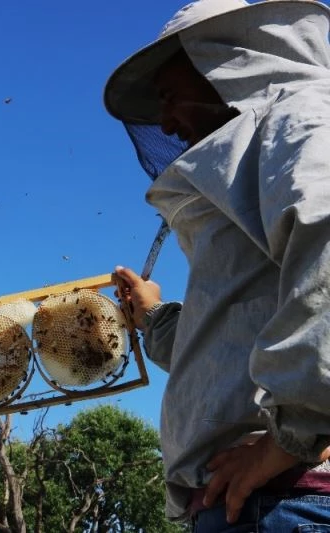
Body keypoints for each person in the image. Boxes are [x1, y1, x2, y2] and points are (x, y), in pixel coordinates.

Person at [104, 0, 330, 530]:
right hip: (262, 503)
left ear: (227, 63)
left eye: (169, 96)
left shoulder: (299, 118)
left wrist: (287, 439)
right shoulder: (266, 152)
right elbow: (229, 348)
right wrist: (154, 318)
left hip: (285, 500)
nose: (166, 122)